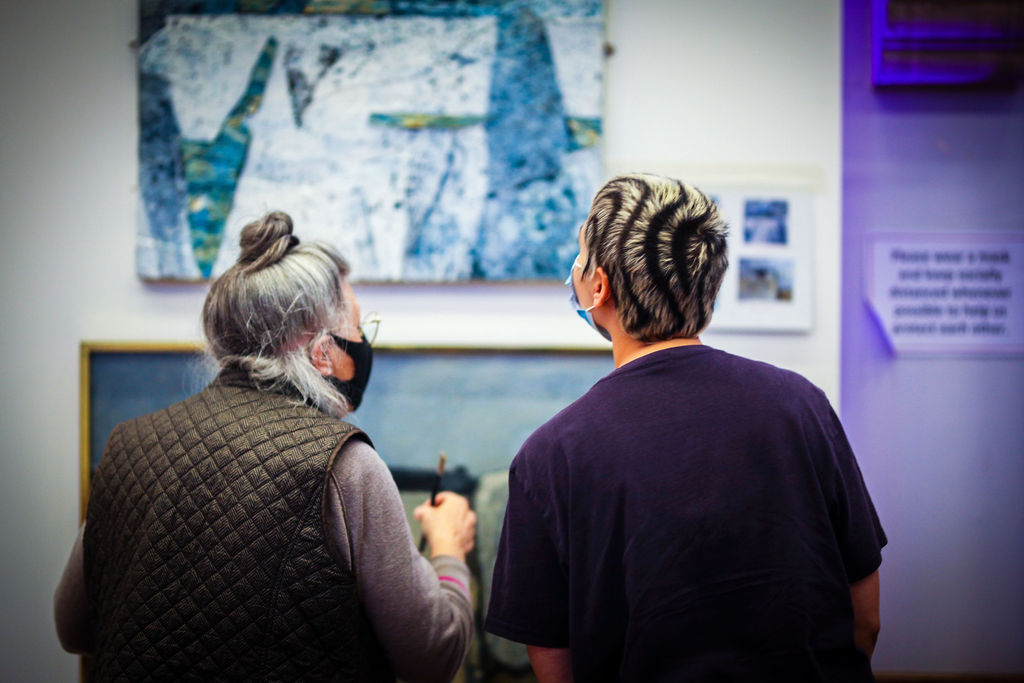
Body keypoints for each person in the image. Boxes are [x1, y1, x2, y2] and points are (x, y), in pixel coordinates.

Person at [484, 174, 886, 682]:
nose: (577, 272)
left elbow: (553, 663)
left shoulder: (550, 454)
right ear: (709, 285)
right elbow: (864, 620)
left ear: (599, 286)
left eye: (582, 259)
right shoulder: (802, 407)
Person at [55, 211, 477, 683]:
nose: (364, 345)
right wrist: (447, 549)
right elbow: (432, 656)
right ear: (323, 352)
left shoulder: (126, 445)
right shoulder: (346, 466)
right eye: (360, 330)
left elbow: (73, 627)